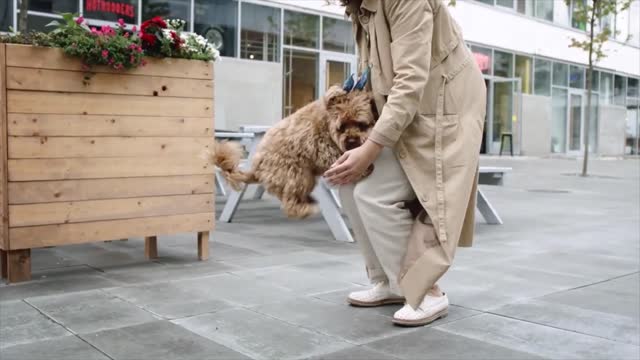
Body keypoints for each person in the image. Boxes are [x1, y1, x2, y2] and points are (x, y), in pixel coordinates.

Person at [324, 0, 486, 327]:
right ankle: (390, 282)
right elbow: (381, 70)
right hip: (409, 110)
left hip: (445, 107)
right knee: (349, 182)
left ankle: (427, 291)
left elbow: (410, 79)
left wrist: (371, 148)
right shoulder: (360, 6)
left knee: (375, 192)